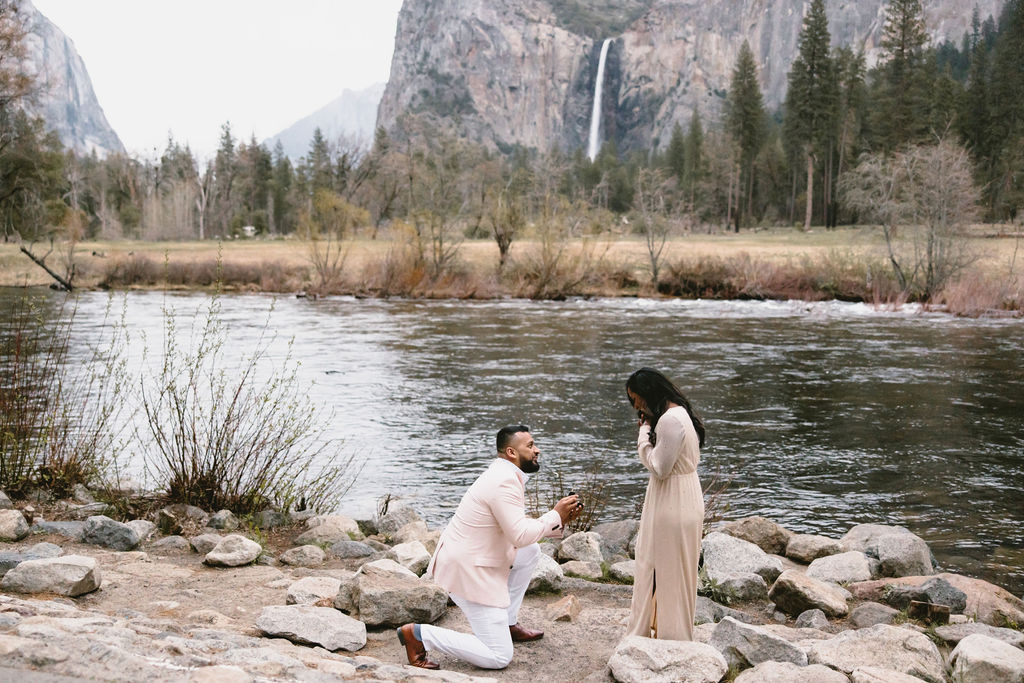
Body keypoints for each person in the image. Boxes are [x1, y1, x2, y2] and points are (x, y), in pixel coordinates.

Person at [397, 425, 582, 670]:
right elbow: (518, 535)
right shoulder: (504, 481)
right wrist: (554, 515)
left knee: (531, 552)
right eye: (530, 446)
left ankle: (507, 622)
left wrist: (558, 520)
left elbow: (515, 530)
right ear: (511, 452)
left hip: (471, 556)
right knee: (498, 657)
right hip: (468, 570)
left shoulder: (505, 474)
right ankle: (419, 635)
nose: (537, 450)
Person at [624, 367, 706, 641]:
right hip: (682, 493)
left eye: (636, 399)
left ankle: (672, 638)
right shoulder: (680, 413)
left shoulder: (669, 421)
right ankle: (668, 629)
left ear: (650, 393)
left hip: (673, 499)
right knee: (674, 569)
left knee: (664, 568)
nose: (636, 406)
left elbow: (660, 467)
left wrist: (643, 436)